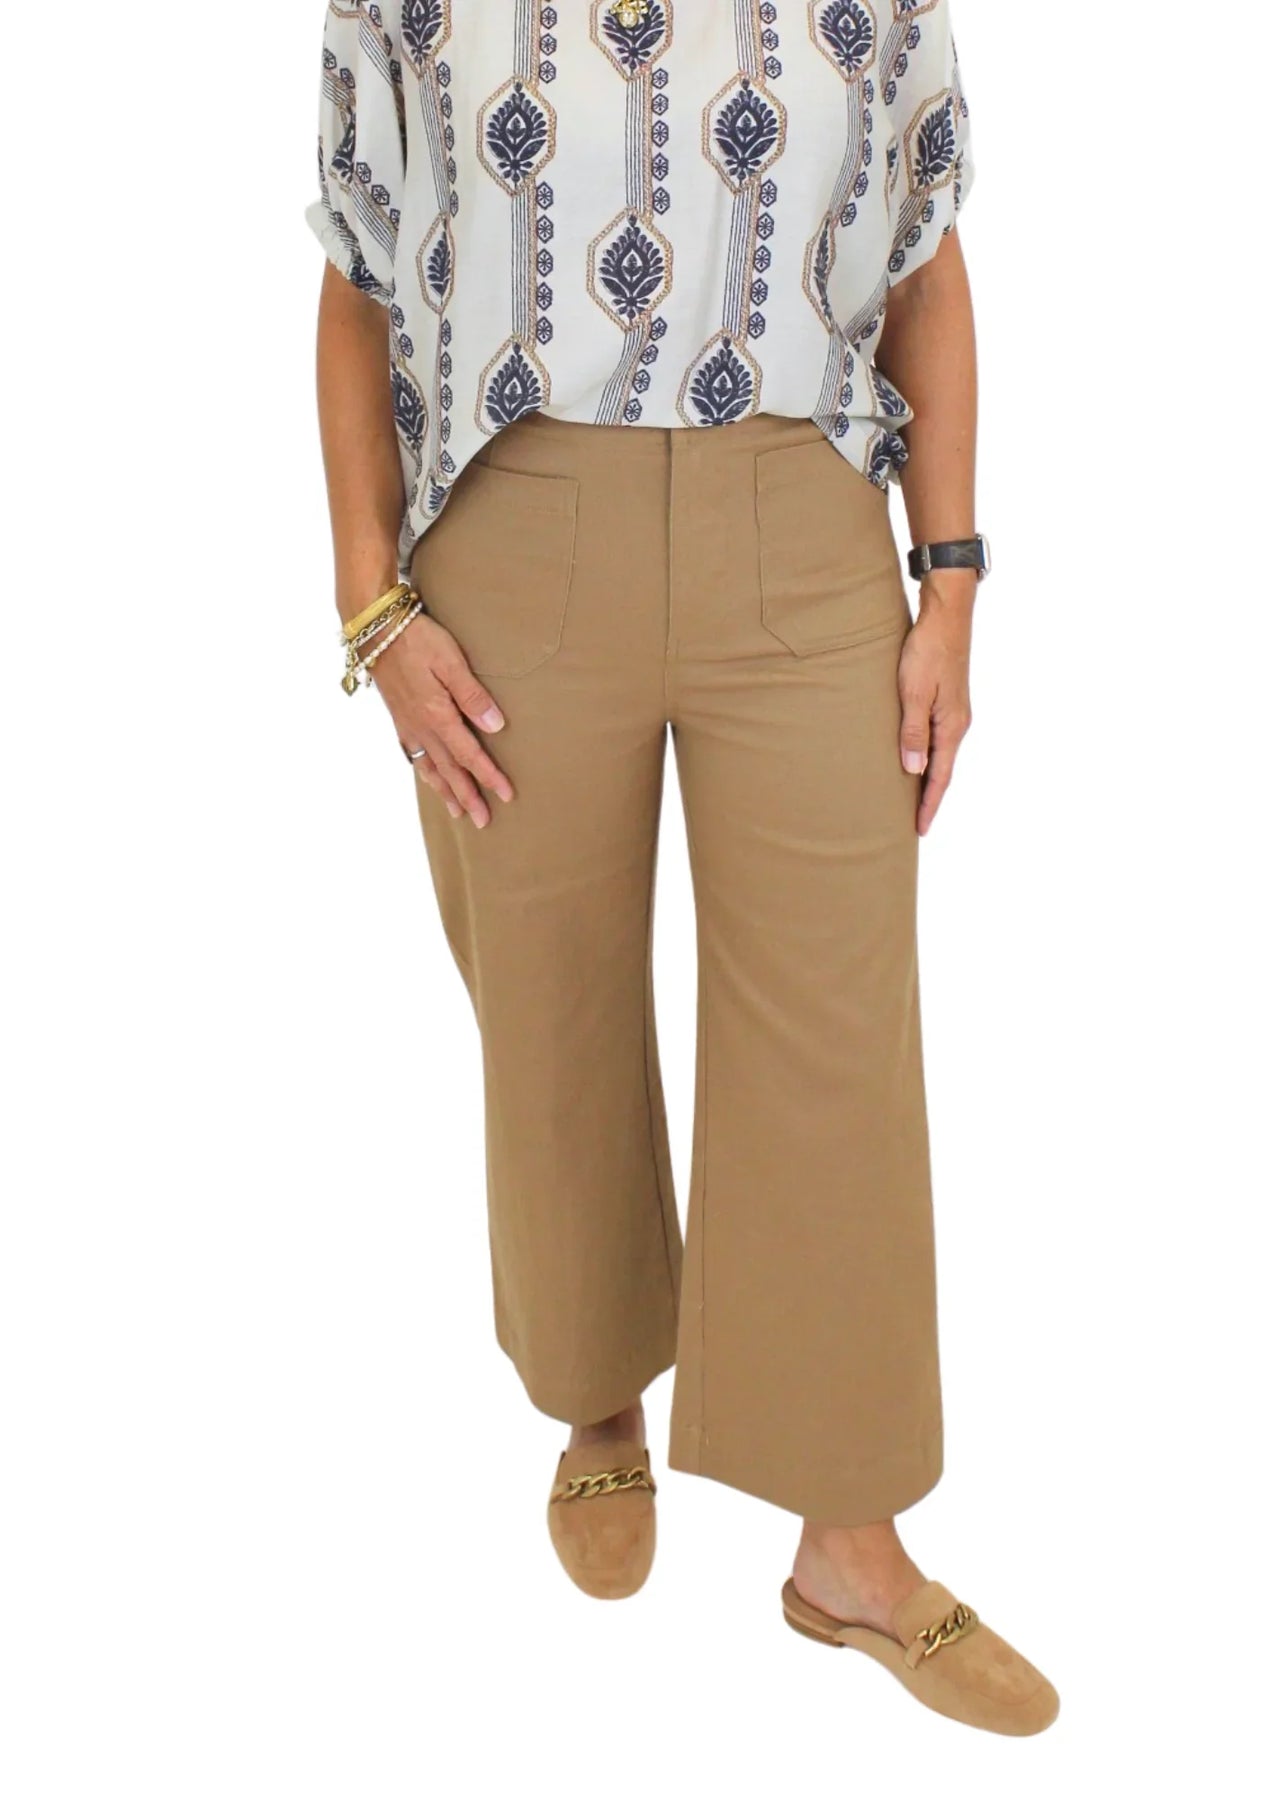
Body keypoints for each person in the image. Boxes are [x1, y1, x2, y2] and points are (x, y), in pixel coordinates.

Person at [306, 0, 1056, 1736]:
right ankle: (594, 1393)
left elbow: (924, 260)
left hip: (800, 521)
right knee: (548, 1003)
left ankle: (848, 1542)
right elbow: (355, 278)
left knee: (835, 1033)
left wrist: (949, 582)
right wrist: (370, 604)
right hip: (514, 526)